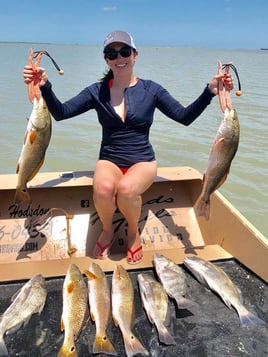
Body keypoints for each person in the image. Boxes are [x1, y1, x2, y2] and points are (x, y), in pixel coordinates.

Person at [23, 30, 233, 265]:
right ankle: (107, 230)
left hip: (143, 160)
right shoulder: (97, 91)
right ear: (106, 59)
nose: (118, 58)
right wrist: (45, 86)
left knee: (125, 190)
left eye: (124, 51)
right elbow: (61, 113)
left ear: (135, 55)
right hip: (109, 159)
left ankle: (133, 233)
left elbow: (184, 116)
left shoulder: (152, 90)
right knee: (103, 189)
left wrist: (209, 91)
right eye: (111, 53)